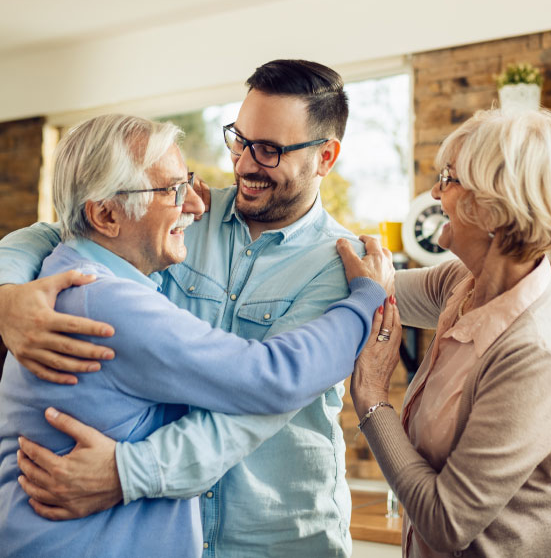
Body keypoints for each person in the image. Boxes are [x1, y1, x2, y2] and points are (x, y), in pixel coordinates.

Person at [0, 60, 380, 556]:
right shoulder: (179, 219)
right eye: (239, 140)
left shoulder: (343, 266)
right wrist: (6, 291)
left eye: (268, 150)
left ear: (325, 157)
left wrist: (128, 472)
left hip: (276, 538)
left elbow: (266, 391)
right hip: (157, 532)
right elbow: (69, 225)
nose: (244, 163)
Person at [350, 108, 551, 557]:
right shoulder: (463, 284)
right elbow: (373, 285)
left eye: (448, 179)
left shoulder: (537, 353)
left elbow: (446, 522)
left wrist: (373, 399)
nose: (434, 192)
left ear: (491, 207)